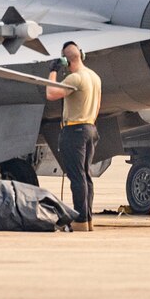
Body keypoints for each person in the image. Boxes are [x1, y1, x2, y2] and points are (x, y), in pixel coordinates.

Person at [44, 41, 103, 232]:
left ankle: (79, 220)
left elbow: (51, 93)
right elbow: (98, 105)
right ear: (82, 55)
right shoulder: (94, 76)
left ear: (65, 61)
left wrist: (53, 71)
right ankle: (87, 220)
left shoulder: (75, 78)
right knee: (86, 176)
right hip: (90, 128)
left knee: (77, 177)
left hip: (75, 131)